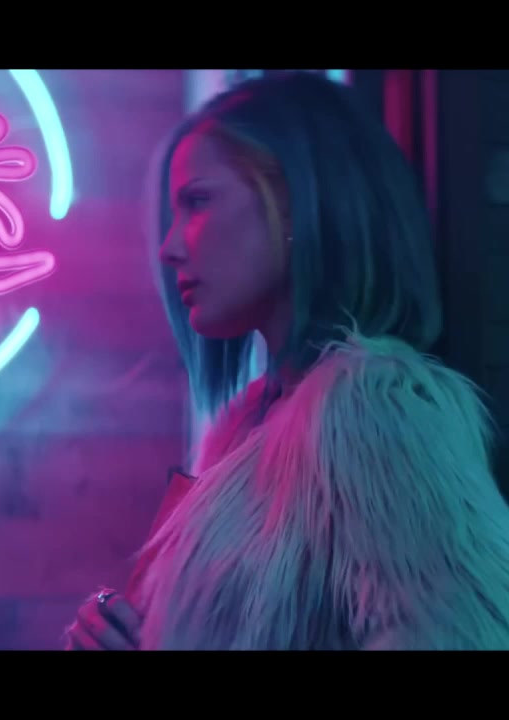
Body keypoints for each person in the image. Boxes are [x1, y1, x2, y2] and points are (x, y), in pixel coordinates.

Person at [65, 71, 509, 650]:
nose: (169, 248)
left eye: (197, 201)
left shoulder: (375, 415)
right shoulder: (252, 429)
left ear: (299, 203)